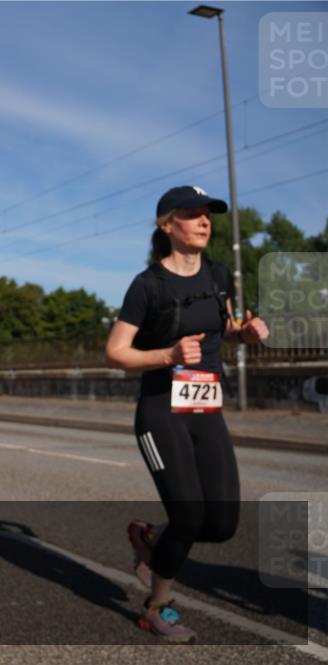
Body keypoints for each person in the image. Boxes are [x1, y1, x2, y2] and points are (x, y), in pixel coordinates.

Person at [105, 185, 269, 642]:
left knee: (221, 524)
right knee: (188, 517)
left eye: (208, 214)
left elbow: (225, 330)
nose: (204, 221)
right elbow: (115, 352)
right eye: (192, 214)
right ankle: (157, 607)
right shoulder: (148, 285)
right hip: (161, 411)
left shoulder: (218, 276)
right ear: (166, 225)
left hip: (206, 409)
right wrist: (168, 354)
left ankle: (149, 538)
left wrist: (245, 334)